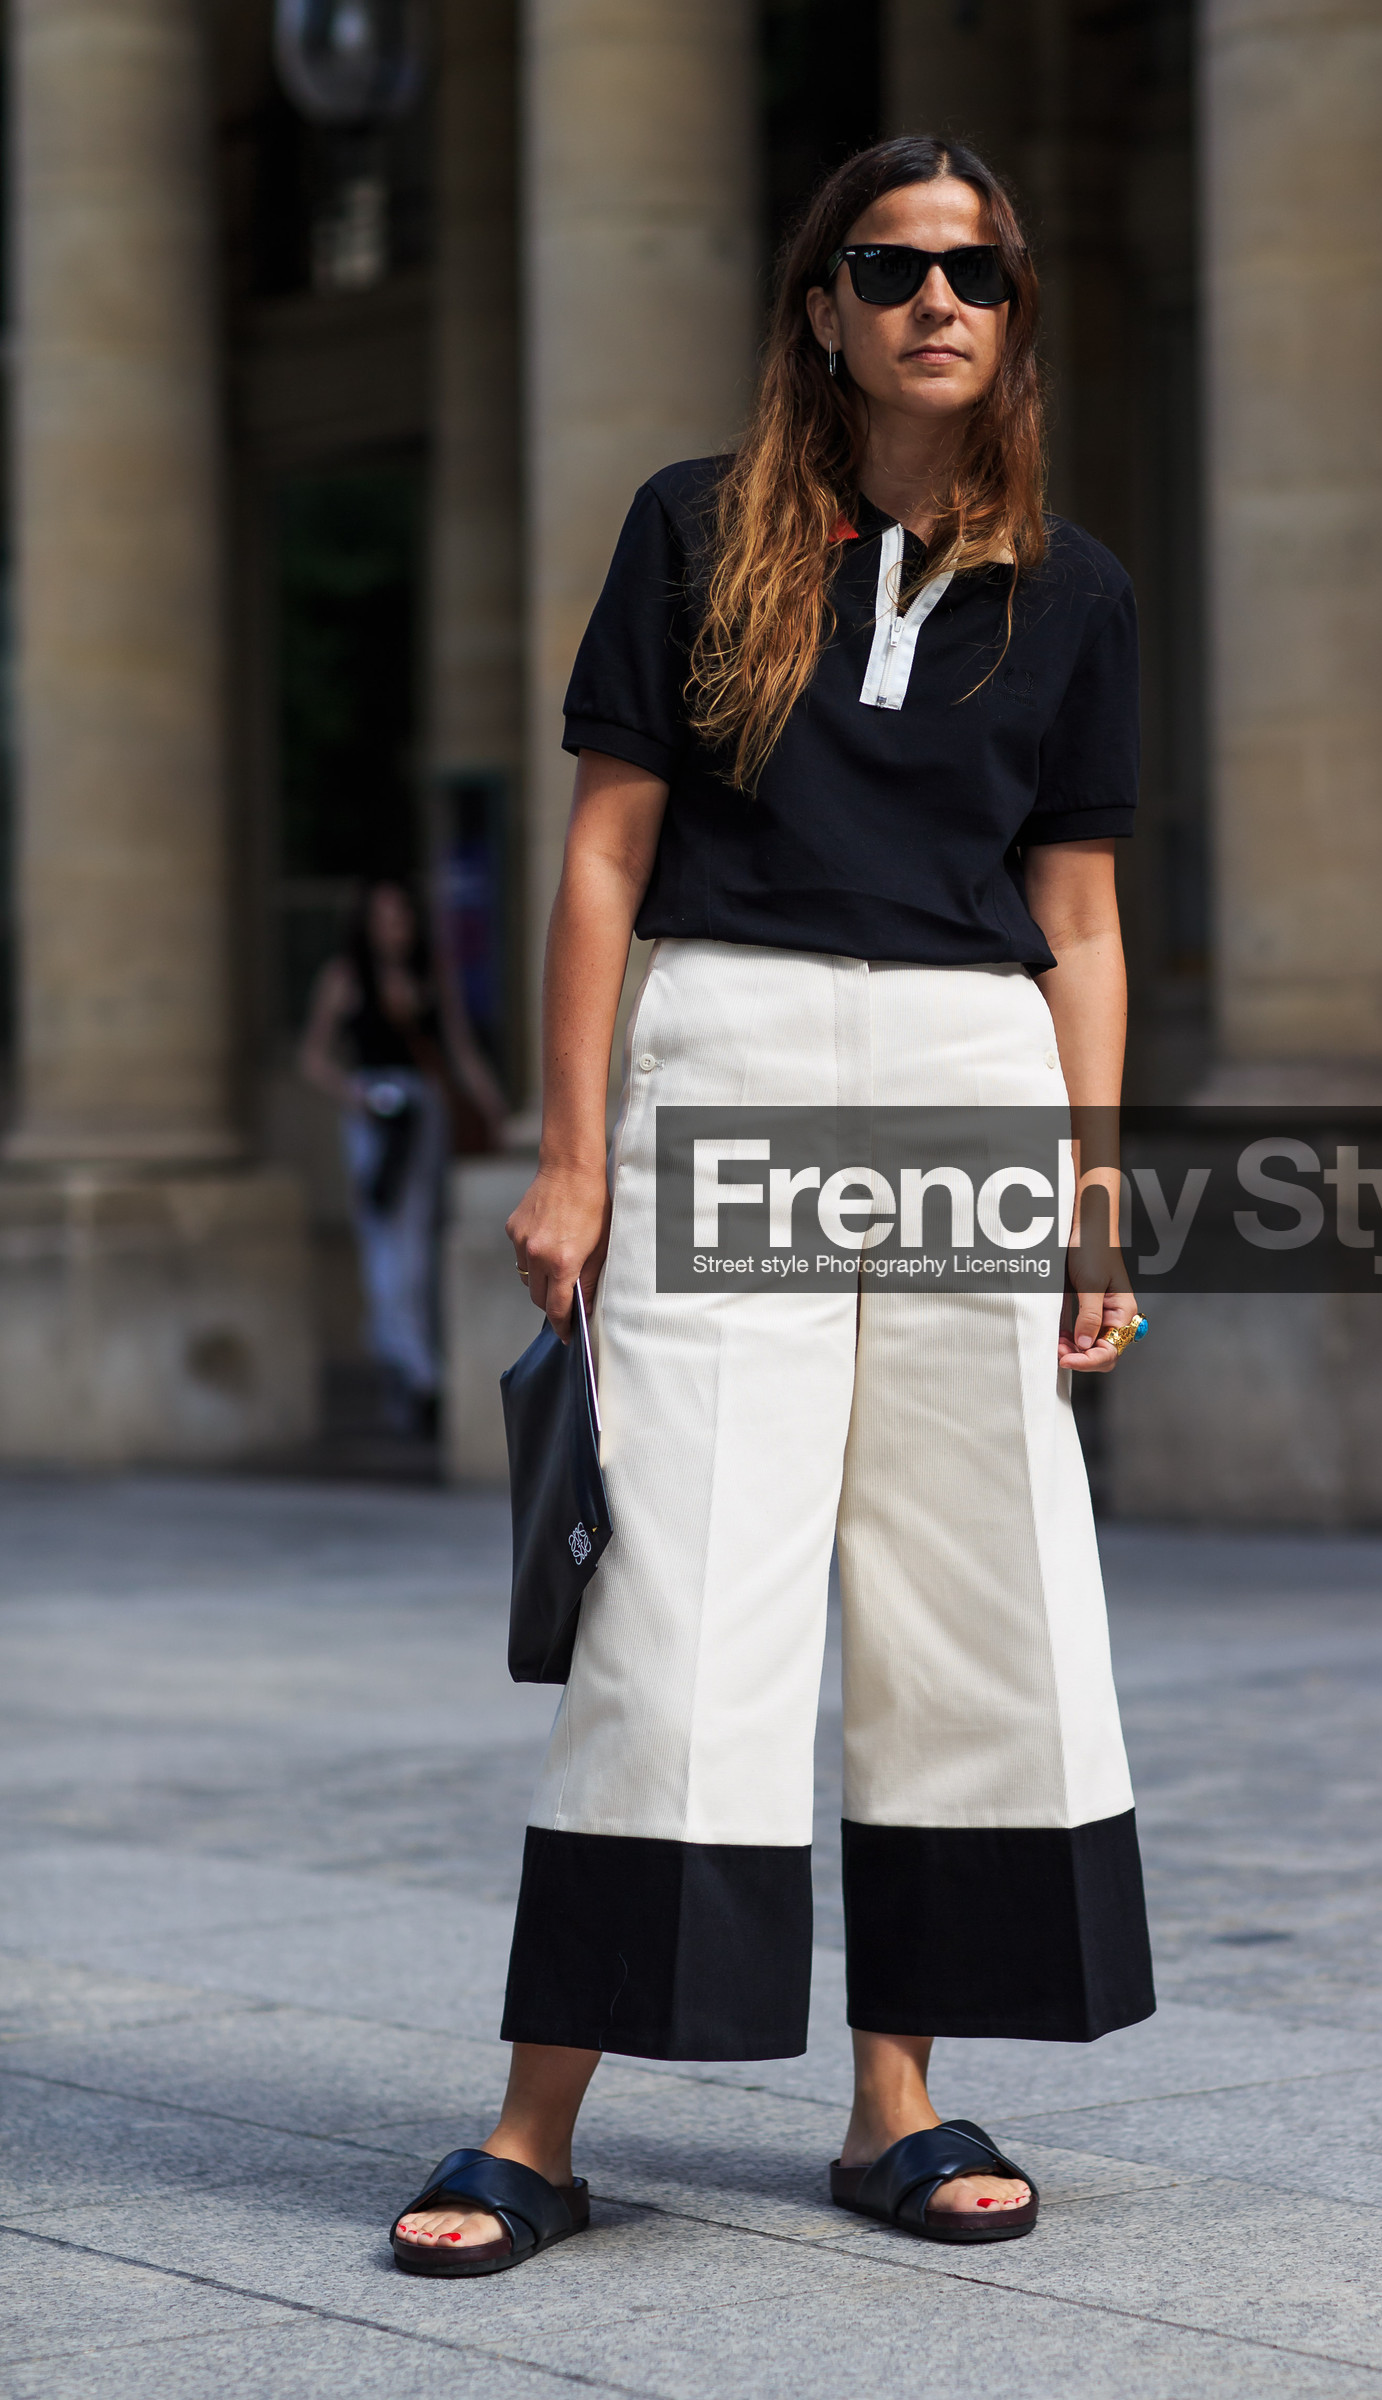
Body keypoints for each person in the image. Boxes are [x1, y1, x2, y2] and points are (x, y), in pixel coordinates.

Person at [391, 133, 1154, 2275]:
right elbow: (605, 860)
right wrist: (565, 1155)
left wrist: (1093, 1197)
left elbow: (1077, 922)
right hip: (724, 1062)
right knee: (680, 1593)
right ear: (817, 305)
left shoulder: (1070, 588)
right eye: (889, 264)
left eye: (976, 271)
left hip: (964, 1080)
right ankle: (535, 2125)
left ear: (1011, 316)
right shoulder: (691, 530)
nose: (936, 299)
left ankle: (892, 2101)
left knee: (963, 1591)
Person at [300, 876, 505, 1435]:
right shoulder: (345, 980)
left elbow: (459, 1051)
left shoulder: (430, 978)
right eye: (383, 917)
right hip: (374, 1113)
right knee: (384, 1236)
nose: (394, 928)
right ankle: (408, 1364)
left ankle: (413, 1365)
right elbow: (314, 1058)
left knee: (417, 1237)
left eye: (401, 916)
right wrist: (356, 1095)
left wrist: (495, 1114)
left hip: (422, 1110)